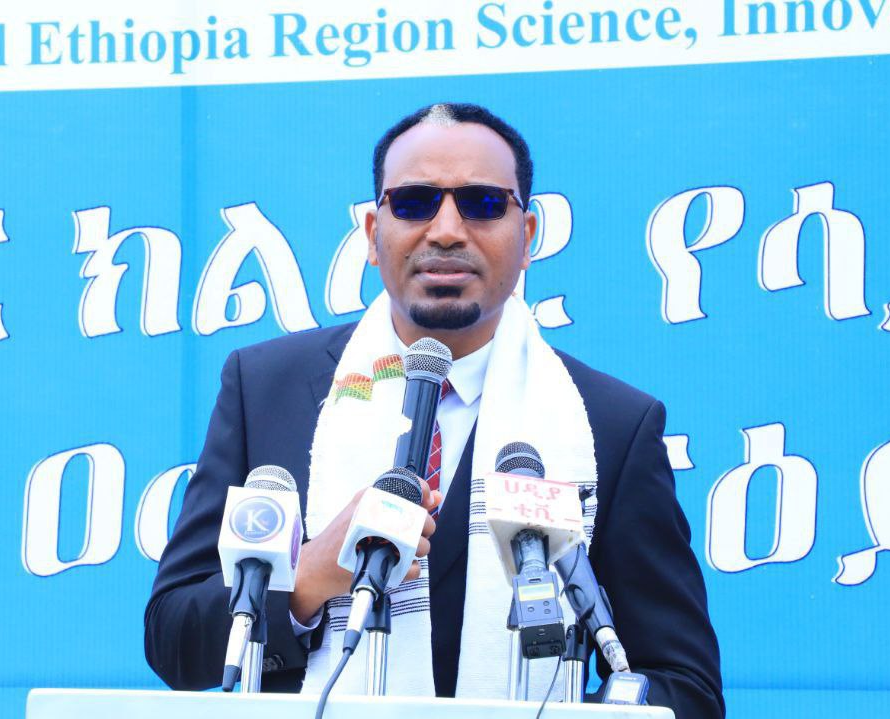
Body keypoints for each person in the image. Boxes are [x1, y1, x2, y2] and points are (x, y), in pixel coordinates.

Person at [144, 103, 724, 717]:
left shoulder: (612, 424)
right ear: (373, 234)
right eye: (415, 202)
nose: (446, 230)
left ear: (527, 237)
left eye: (483, 204)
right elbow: (174, 642)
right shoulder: (267, 389)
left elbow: (683, 686)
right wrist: (308, 574)